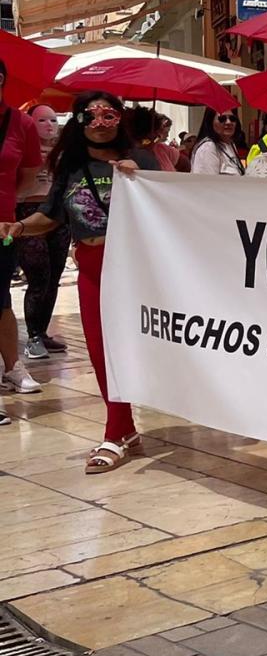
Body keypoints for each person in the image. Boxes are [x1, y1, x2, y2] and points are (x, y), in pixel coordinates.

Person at [0, 92, 161, 472]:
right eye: (91, 115)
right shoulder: (71, 166)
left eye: (109, 114)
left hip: (136, 266)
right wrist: (19, 227)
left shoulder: (142, 159)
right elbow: (51, 214)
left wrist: (144, 177)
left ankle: (122, 429)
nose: (100, 122)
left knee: (139, 346)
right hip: (91, 265)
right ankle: (120, 428)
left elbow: (173, 204)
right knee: (101, 350)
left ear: (120, 119)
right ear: (79, 120)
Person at [0, 67, 45, 401]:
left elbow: (29, 176)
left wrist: (8, 208)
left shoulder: (21, 123)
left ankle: (12, 366)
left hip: (3, 226)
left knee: (2, 299)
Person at [16, 104, 69, 362]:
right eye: (42, 121)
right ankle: (33, 335)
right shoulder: (22, 148)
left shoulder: (64, 152)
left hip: (59, 214)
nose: (49, 125)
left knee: (55, 273)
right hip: (28, 211)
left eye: (53, 119)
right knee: (39, 274)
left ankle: (42, 330)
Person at [190, 107, 247, 175]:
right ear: (210, 122)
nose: (228, 122)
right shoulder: (208, 147)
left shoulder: (231, 144)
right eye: (222, 119)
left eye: (232, 119)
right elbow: (207, 183)